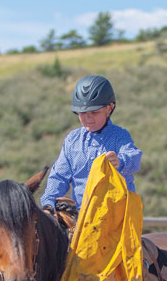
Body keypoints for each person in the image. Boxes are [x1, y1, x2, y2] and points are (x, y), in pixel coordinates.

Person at [40, 75, 142, 213]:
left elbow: (135, 158)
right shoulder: (72, 140)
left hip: (117, 216)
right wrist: (49, 202)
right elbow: (59, 176)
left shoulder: (120, 136)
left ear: (109, 108)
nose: (88, 118)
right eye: (82, 113)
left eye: (94, 112)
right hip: (82, 216)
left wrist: (120, 161)